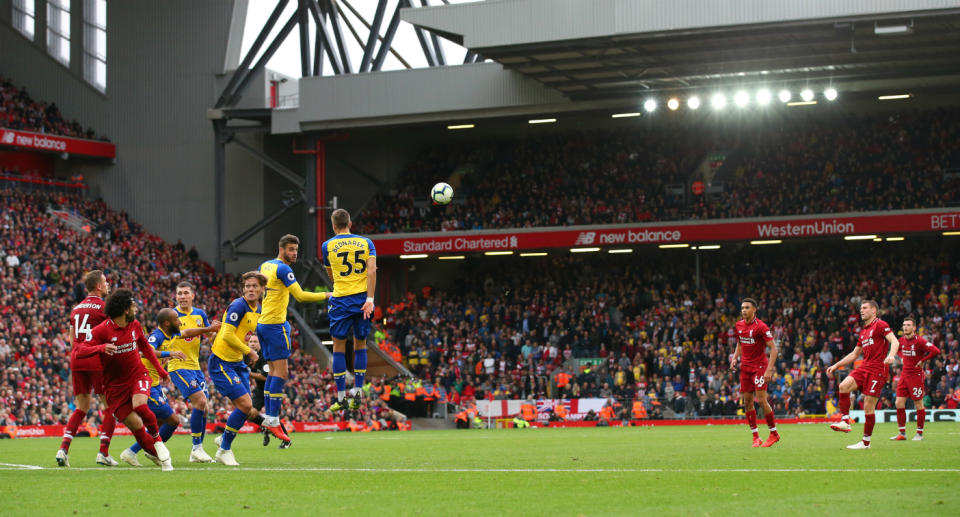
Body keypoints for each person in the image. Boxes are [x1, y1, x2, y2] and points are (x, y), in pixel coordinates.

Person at [73, 289, 173, 471]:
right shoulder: (101, 330)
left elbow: (146, 347)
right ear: (125, 309)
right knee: (136, 426)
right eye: (133, 305)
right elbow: (79, 351)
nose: (136, 308)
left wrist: (161, 371)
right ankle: (160, 457)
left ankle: (158, 441)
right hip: (114, 387)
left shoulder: (134, 325)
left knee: (141, 405)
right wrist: (101, 348)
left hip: (138, 375)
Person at [257, 234, 330, 440]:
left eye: (296, 250)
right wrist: (327, 295)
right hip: (274, 325)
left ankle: (270, 418)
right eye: (291, 250)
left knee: (272, 372)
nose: (294, 254)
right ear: (281, 249)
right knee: (281, 373)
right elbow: (300, 296)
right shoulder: (283, 269)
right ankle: (272, 419)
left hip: (263, 324)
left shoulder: (265, 265)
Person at [208, 271, 272, 465]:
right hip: (221, 362)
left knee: (247, 408)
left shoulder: (258, 309)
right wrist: (250, 352)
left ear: (262, 289)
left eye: (254, 286)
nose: (250, 289)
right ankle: (224, 449)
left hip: (238, 363)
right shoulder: (238, 305)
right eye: (247, 286)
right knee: (245, 406)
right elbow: (227, 334)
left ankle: (224, 439)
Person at [58, 270, 118, 467]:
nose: (108, 284)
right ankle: (103, 453)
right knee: (108, 406)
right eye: (105, 282)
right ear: (99, 286)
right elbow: (111, 334)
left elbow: (72, 338)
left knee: (81, 407)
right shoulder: (104, 307)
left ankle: (63, 449)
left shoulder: (76, 310)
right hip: (96, 360)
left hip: (77, 359)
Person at [322, 210, 377, 414]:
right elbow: (372, 271)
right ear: (350, 223)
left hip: (340, 299)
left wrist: (341, 286)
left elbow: (331, 273)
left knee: (338, 346)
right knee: (360, 343)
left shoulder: (327, 246)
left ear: (333, 225)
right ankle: (358, 390)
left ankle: (341, 397)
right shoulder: (366, 243)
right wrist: (370, 299)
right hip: (362, 298)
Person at [826, 300, 900, 449]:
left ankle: (866, 442)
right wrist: (836, 365)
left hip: (878, 369)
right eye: (861, 308)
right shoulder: (864, 331)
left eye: (865, 308)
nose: (862, 310)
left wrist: (891, 355)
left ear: (874, 311)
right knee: (843, 386)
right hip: (865, 366)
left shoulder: (881, 325)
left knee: (868, 405)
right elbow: (854, 354)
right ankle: (845, 422)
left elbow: (895, 341)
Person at [119, 309, 188, 466]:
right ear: (166, 323)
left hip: (155, 385)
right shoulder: (157, 335)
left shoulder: (170, 335)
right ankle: (153, 451)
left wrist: (208, 329)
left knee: (162, 423)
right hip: (146, 385)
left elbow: (187, 332)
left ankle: (131, 452)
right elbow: (144, 352)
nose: (179, 321)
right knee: (173, 420)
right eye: (176, 319)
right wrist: (169, 353)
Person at [165, 281, 221, 463]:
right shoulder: (172, 315)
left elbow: (210, 336)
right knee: (201, 400)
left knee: (205, 408)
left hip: (195, 366)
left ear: (192, 295)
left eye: (185, 293)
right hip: (178, 365)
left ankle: (196, 453)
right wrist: (208, 328)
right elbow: (185, 332)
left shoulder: (200, 314)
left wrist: (217, 333)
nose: (182, 296)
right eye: (179, 293)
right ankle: (197, 447)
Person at [729, 297, 780, 447]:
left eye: (747, 308)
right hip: (745, 368)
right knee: (747, 402)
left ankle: (774, 433)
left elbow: (774, 349)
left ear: (754, 310)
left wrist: (769, 370)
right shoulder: (738, 325)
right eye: (742, 308)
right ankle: (755, 437)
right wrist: (734, 358)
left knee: (762, 400)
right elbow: (740, 342)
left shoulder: (761, 327)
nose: (743, 310)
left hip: (759, 367)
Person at [890, 316, 940, 441]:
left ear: (914, 327)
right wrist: (901, 356)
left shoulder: (920, 341)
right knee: (898, 403)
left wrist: (923, 360)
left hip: (916, 376)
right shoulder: (901, 340)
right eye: (904, 325)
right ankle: (902, 433)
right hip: (904, 375)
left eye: (908, 325)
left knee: (918, 404)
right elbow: (896, 349)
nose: (905, 327)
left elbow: (935, 350)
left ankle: (919, 434)